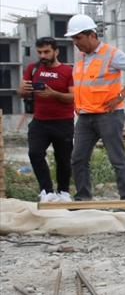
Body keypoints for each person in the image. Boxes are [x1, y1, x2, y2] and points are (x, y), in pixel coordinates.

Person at [65, 14, 125, 201]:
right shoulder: (80, 59)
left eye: (78, 38)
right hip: (85, 116)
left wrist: (121, 96)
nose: (75, 42)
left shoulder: (111, 54)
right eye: (73, 38)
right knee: (78, 158)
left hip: (108, 115)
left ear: (91, 35)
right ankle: (82, 199)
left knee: (117, 158)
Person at [15, 37, 75, 202]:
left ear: (56, 52)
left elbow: (73, 96)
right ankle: (46, 191)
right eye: (40, 52)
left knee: (63, 159)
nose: (43, 55)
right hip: (39, 121)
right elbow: (21, 92)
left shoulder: (68, 71)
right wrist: (25, 90)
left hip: (63, 120)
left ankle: (63, 192)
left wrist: (53, 94)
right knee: (34, 153)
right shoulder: (32, 69)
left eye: (47, 52)